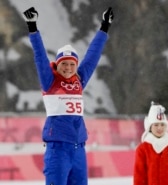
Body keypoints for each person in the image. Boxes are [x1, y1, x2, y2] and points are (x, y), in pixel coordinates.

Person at [23, 6, 114, 185]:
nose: (68, 68)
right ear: (57, 65)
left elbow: (92, 57)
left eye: (72, 64)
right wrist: (32, 27)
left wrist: (104, 27)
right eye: (64, 64)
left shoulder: (79, 80)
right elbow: (40, 57)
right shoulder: (50, 81)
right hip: (58, 149)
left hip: (78, 148)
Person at [133, 102, 168, 185]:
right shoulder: (143, 149)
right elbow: (139, 175)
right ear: (150, 127)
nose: (159, 128)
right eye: (156, 125)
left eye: (162, 125)